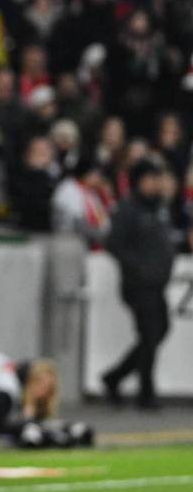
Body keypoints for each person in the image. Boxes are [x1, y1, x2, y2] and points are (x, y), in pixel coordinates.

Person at [101, 160, 175, 410]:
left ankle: (114, 377)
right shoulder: (128, 209)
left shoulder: (159, 207)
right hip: (139, 285)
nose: (156, 184)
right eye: (151, 178)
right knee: (150, 334)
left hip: (156, 284)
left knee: (158, 332)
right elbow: (113, 243)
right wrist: (139, 267)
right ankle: (146, 392)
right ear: (140, 181)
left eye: (158, 178)